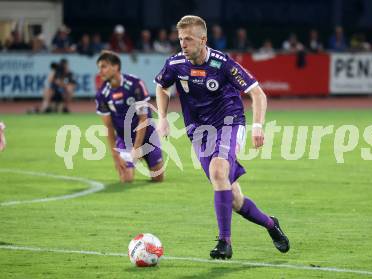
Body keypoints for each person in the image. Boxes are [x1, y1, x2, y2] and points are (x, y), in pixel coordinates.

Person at [154, 15, 289, 260]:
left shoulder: (223, 64)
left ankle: (224, 242)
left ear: (203, 39)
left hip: (229, 123)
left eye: (188, 39)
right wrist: (162, 117)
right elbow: (162, 87)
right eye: (181, 39)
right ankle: (271, 225)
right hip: (199, 132)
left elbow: (257, 94)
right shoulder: (175, 64)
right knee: (234, 199)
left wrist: (258, 125)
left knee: (218, 171)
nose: (183, 44)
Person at [96, 51, 164, 183]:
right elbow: (109, 127)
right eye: (99, 68)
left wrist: (137, 148)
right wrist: (116, 155)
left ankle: (149, 158)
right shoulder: (102, 94)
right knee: (126, 179)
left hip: (148, 135)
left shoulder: (135, 84)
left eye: (104, 66)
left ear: (115, 67)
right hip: (125, 139)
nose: (101, 71)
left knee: (158, 179)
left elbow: (143, 118)